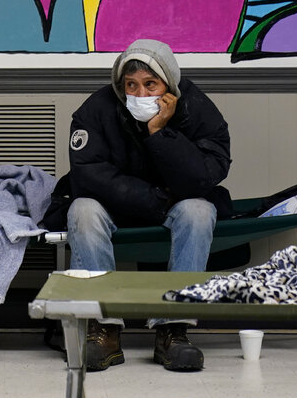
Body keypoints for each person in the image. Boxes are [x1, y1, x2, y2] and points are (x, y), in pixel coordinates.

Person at [61, 39, 231, 372]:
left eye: (150, 84)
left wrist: (160, 132)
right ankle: (104, 329)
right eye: (131, 85)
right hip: (121, 203)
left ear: (169, 83)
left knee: (200, 211)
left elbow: (204, 177)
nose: (140, 94)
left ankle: (173, 328)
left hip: (173, 203)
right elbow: (88, 173)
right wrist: (154, 198)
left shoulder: (197, 109)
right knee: (81, 209)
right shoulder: (96, 109)